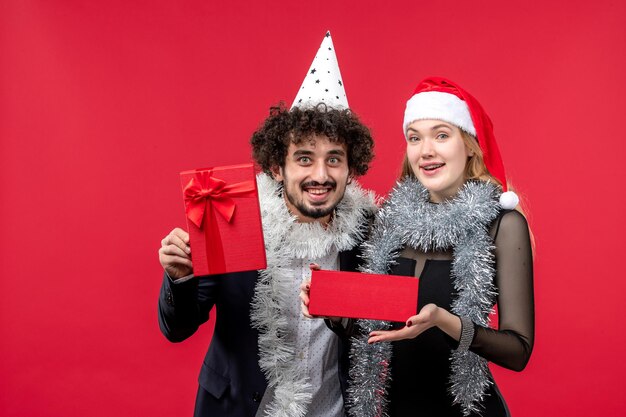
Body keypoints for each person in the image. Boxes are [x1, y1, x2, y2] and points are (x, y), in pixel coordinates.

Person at [157, 32, 377, 417]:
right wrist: (179, 278)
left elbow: (382, 331)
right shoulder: (231, 216)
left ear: (350, 167)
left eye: (334, 159)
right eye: (305, 159)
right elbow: (177, 329)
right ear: (278, 167)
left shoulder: (370, 231)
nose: (320, 175)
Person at [307, 77, 534, 417]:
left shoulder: (503, 225)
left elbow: (518, 351)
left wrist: (446, 322)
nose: (425, 150)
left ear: (470, 145)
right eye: (415, 138)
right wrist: (336, 313)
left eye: (441, 135)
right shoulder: (387, 222)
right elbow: (378, 334)